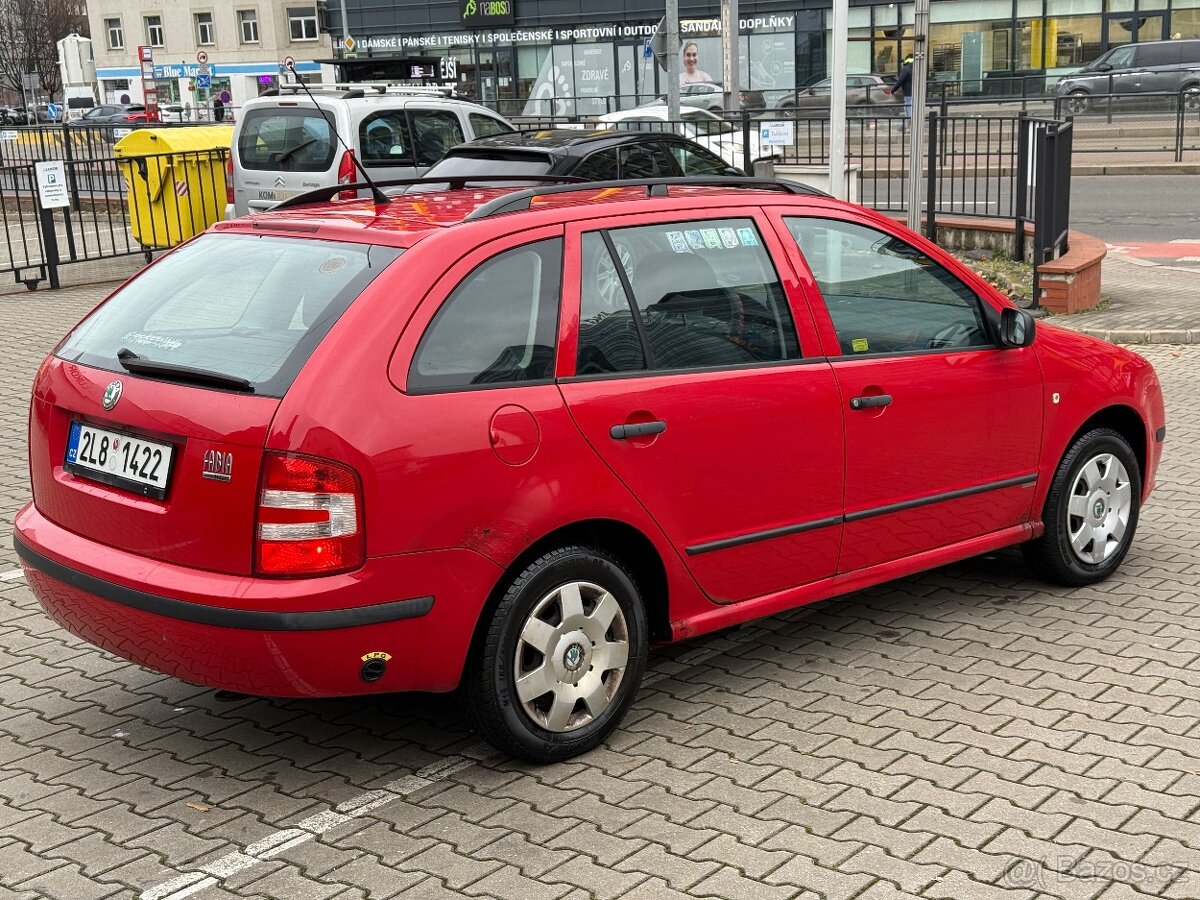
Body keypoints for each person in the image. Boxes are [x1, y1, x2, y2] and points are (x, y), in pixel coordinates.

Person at [885, 54, 914, 127]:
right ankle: (907, 126)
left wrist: (892, 91)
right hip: (915, 93)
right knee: (910, 110)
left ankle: (908, 127)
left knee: (908, 110)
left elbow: (900, 81)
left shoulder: (906, 69)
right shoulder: (916, 67)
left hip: (908, 93)